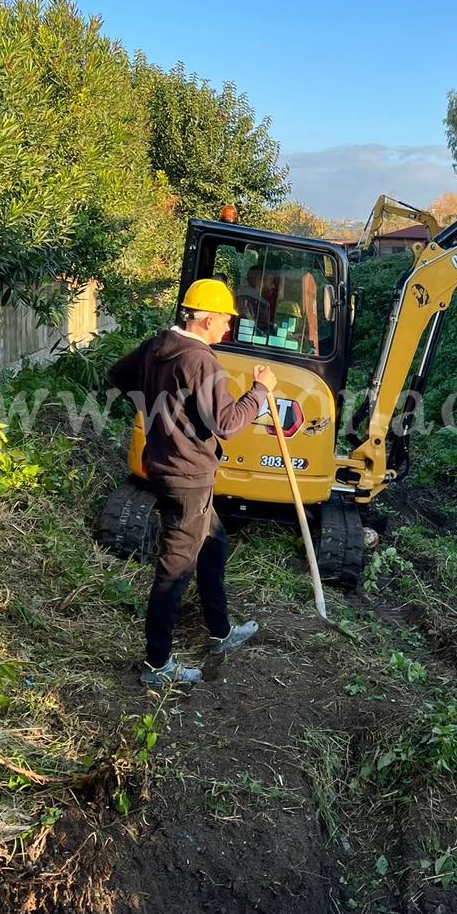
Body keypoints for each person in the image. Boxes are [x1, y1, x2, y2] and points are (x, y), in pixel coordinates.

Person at [108, 278, 278, 687]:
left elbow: (118, 375)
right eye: (225, 320)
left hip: (167, 467)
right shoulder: (201, 360)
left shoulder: (158, 345)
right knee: (175, 570)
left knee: (214, 544)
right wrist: (260, 391)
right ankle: (156, 665)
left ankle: (220, 633)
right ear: (205, 319)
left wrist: (159, 415)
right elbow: (226, 424)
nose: (228, 329)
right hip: (188, 477)